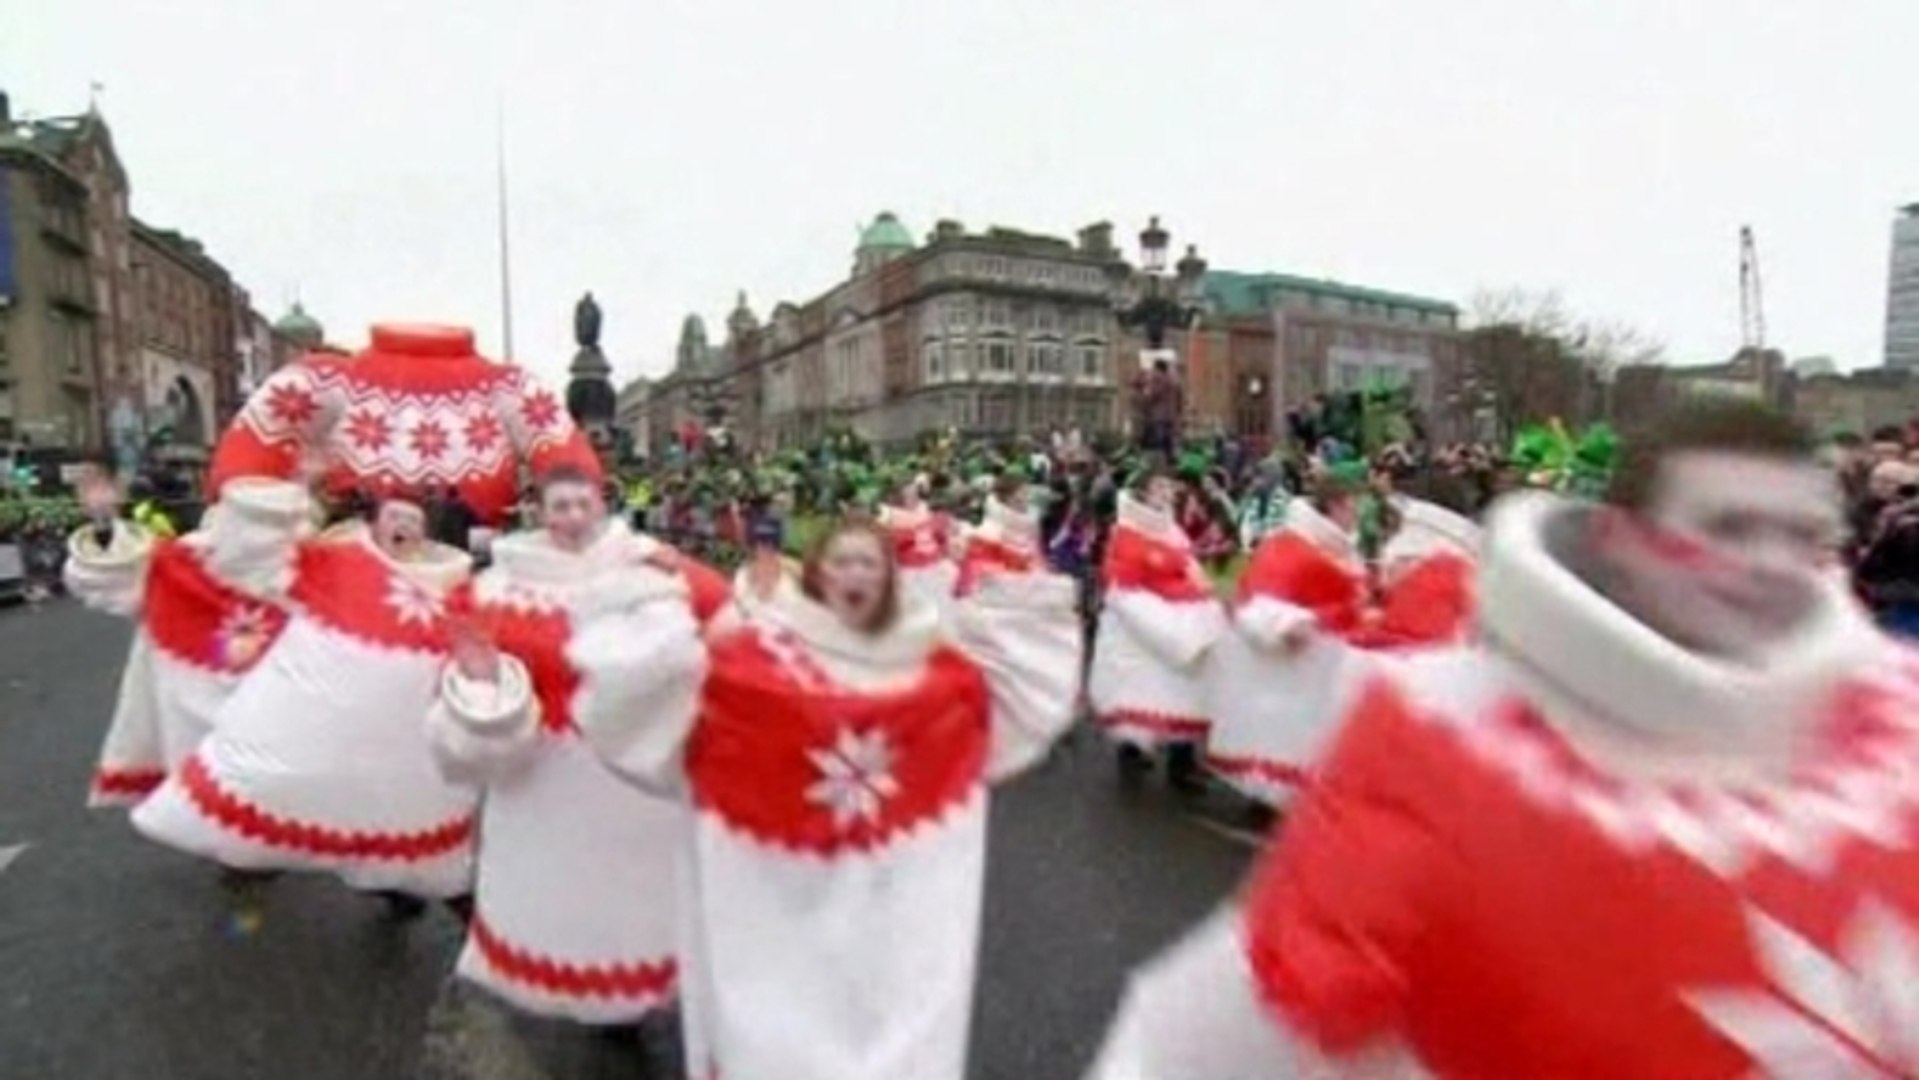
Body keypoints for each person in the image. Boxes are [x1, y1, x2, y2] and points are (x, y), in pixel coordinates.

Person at [1087, 402, 1914, 1079]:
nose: (1770, 563)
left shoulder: (1897, 744)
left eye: (1802, 535)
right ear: (1619, 539)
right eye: (1729, 527)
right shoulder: (1438, 740)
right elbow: (1211, 1040)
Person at [570, 516, 1081, 1080]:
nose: (855, 575)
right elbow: (663, 734)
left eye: (869, 562)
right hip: (780, 923)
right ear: (815, 577)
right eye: (841, 562)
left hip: (890, 914)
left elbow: (1003, 721)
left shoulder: (940, 676)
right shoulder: (749, 673)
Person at [425, 466, 725, 1043]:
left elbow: (729, 618)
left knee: (644, 896)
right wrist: (481, 677)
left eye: (581, 505)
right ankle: (591, 995)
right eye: (558, 506)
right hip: (545, 777)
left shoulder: (651, 567)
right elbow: (462, 669)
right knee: (564, 899)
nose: (571, 518)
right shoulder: (496, 588)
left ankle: (641, 994)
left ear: (601, 506)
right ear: (539, 511)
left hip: (636, 778)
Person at [128, 492, 477, 930]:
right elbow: (248, 561)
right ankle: (255, 862)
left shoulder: (455, 586)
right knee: (306, 799)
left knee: (391, 812)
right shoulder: (332, 563)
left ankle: (414, 894)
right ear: (374, 525)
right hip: (314, 724)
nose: (403, 528)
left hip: (395, 745)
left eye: (413, 520)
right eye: (394, 518)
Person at [64, 472, 309, 808]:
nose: (258, 535)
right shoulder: (182, 563)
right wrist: (105, 526)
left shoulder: (319, 562)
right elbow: (108, 582)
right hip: (209, 726)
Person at [207, 323, 599, 527]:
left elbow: (573, 470)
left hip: (467, 569)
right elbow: (240, 475)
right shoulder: (325, 378)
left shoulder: (510, 386)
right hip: (352, 576)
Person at [1088, 465, 1227, 791]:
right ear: (1143, 493)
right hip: (1142, 630)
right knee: (1141, 690)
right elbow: (1123, 588)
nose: (1169, 493)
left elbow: (1189, 566)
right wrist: (1163, 622)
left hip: (1179, 619)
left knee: (1186, 692)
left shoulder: (1170, 528)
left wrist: (1203, 599)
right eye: (1160, 488)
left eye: (1169, 487)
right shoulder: (1125, 532)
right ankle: (1133, 751)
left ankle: (1183, 764)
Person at [953, 472, 1043, 596]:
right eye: (1022, 491)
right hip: (999, 564)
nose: (1027, 495)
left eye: (1027, 491)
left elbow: (1035, 542)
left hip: (1023, 562)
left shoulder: (1032, 515)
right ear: (1009, 495)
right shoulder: (993, 515)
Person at [877, 474, 956, 614]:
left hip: (937, 567)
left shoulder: (926, 511)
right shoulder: (888, 517)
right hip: (910, 573)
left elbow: (942, 541)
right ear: (898, 497)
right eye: (908, 493)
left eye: (914, 493)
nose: (913, 496)